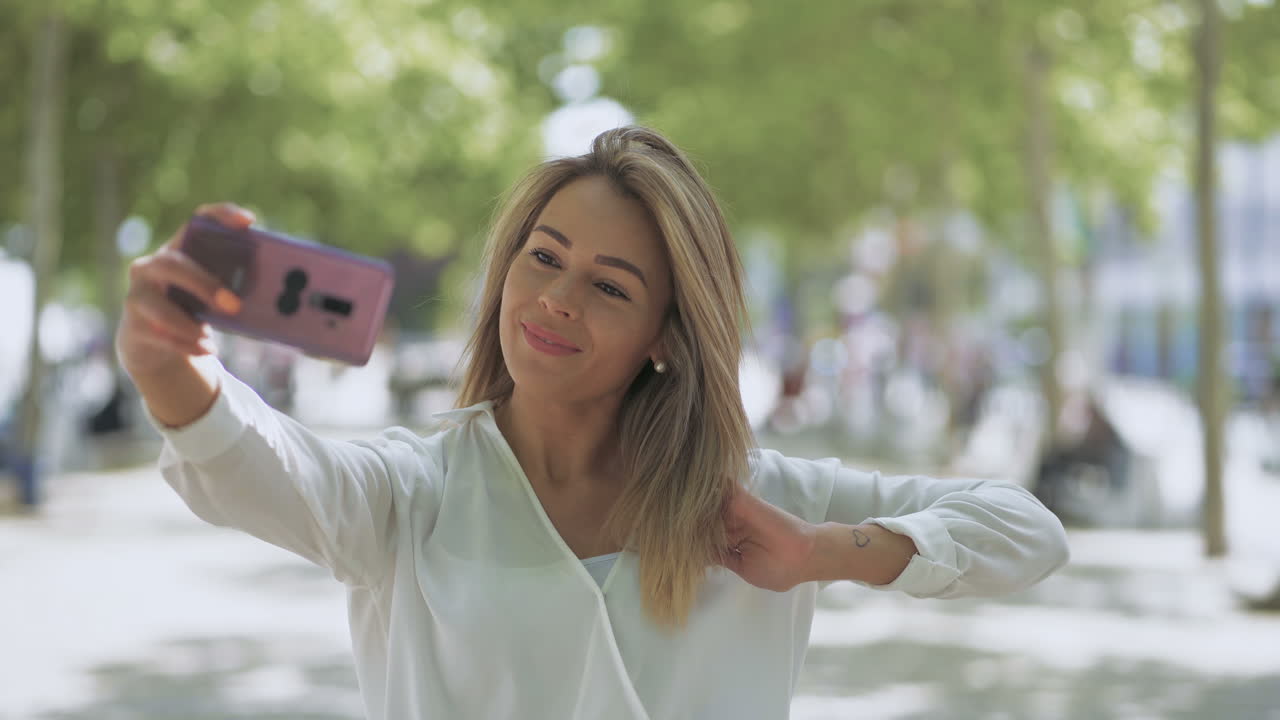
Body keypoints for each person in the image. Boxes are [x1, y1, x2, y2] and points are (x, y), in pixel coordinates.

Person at [115, 126, 1069, 719]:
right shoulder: (416, 489)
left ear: (665, 335)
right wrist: (177, 371)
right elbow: (261, 468)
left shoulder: (761, 501)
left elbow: (1028, 529)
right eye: (543, 258)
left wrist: (826, 552)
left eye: (610, 285)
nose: (557, 300)